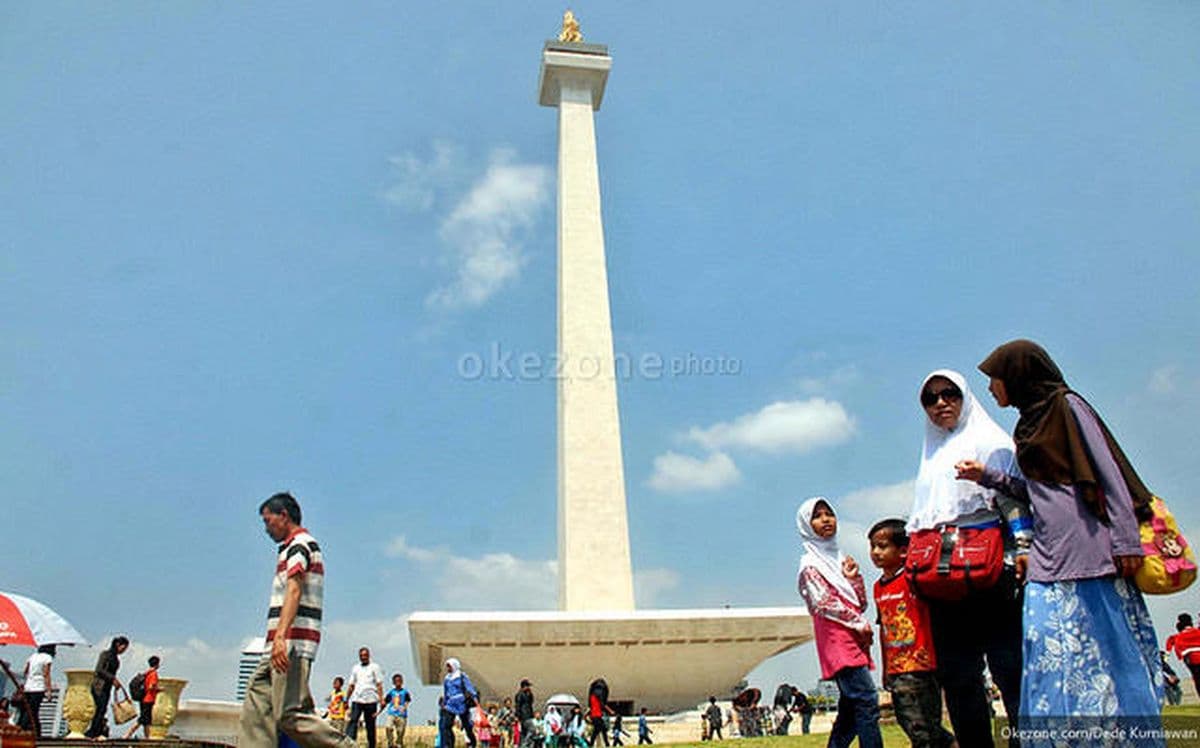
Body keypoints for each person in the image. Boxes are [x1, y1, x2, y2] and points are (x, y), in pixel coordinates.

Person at [962, 341, 1163, 736]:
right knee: (1047, 655)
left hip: (1092, 556)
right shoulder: (1026, 424)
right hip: (1047, 558)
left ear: (1018, 375)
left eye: (994, 379)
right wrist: (987, 476)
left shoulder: (1068, 407)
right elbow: (1039, 491)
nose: (990, 389)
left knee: (1109, 655)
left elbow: (1110, 473)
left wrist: (1125, 541)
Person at [908, 369, 1029, 747]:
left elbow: (1012, 498)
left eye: (949, 394)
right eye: (930, 398)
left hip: (994, 570)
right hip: (944, 579)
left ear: (965, 397)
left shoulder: (990, 441)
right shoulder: (932, 454)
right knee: (959, 676)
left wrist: (1024, 547)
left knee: (1010, 669)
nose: (941, 403)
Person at [239, 492, 357, 748]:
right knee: (257, 706)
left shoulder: (301, 544)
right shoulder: (288, 548)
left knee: (290, 713)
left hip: (291, 643)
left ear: (284, 516)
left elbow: (295, 588)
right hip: (275, 646)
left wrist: (282, 637)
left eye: (268, 521)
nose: (266, 529)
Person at [795, 497, 882, 748]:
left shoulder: (838, 558)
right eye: (818, 515)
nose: (826, 520)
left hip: (853, 636)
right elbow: (823, 603)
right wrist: (858, 623)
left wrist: (853, 579)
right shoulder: (810, 565)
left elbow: (859, 603)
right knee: (866, 699)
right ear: (806, 524)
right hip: (837, 639)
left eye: (829, 513)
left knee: (851, 708)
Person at [868, 518, 956, 748]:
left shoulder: (913, 579)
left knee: (922, 727)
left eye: (882, 546)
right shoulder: (878, 587)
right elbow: (884, 630)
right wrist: (886, 668)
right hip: (896, 667)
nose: (876, 552)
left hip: (920, 666)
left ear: (904, 551)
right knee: (908, 721)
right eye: (873, 546)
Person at [86, 636, 130, 739]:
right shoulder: (105, 655)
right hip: (99, 686)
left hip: (107, 687)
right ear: (118, 645)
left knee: (102, 709)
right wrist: (113, 679)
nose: (124, 650)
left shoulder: (116, 659)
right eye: (124, 648)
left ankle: (97, 731)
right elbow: (99, 669)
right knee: (99, 709)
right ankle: (93, 731)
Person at [347, 647, 386, 748]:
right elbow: (351, 685)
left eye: (365, 655)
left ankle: (372, 745)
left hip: (371, 700)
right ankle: (350, 743)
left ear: (369, 656)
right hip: (357, 699)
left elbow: (379, 684)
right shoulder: (355, 668)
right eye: (361, 656)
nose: (363, 657)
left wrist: (381, 699)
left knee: (370, 725)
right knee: (353, 721)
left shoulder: (375, 667)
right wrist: (346, 699)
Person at [440, 658, 479, 748]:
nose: (448, 669)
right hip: (450, 704)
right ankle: (449, 745)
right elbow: (446, 692)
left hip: (461, 702)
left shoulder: (462, 676)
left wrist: (475, 699)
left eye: (449, 666)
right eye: (447, 667)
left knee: (466, 725)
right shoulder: (447, 678)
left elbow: (469, 688)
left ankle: (472, 742)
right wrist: (444, 703)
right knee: (447, 726)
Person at [20, 644, 55, 737]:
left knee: (31, 711)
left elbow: (25, 671)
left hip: (28, 687)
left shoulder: (33, 656)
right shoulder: (47, 658)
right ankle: (21, 729)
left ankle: (38, 733)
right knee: (32, 711)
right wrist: (49, 690)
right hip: (38, 687)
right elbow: (46, 674)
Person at [123, 655, 162, 739]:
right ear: (157, 664)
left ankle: (147, 737)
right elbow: (151, 687)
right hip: (149, 699)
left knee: (146, 721)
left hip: (143, 698)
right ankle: (127, 734)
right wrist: (159, 689)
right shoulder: (154, 674)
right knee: (143, 719)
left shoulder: (146, 673)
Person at [1165, 614, 1200, 698]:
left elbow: (1170, 641)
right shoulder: (1197, 632)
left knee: (1197, 679)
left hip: (1191, 659)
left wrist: (1166, 656)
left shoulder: (1178, 636)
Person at [383, 673, 412, 748]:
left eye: (399, 681)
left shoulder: (405, 692)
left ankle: (399, 744)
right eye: (396, 681)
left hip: (401, 714)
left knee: (400, 731)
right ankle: (390, 743)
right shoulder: (391, 692)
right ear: (393, 682)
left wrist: (404, 707)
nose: (398, 683)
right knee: (388, 727)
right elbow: (385, 702)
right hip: (392, 713)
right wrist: (378, 712)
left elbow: (408, 700)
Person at [586, 679, 611, 747]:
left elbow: (590, 706)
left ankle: (606, 744)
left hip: (594, 715)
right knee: (598, 730)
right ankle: (592, 744)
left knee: (601, 730)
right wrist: (610, 711)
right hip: (597, 715)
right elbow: (602, 704)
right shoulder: (599, 694)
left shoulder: (592, 695)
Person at [514, 679, 535, 748]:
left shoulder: (528, 694)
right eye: (528, 686)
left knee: (524, 732)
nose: (529, 688)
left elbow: (531, 702)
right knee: (532, 730)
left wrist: (530, 694)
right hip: (524, 715)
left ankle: (523, 745)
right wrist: (518, 715)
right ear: (524, 686)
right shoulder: (520, 694)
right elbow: (518, 706)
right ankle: (525, 745)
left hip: (528, 714)